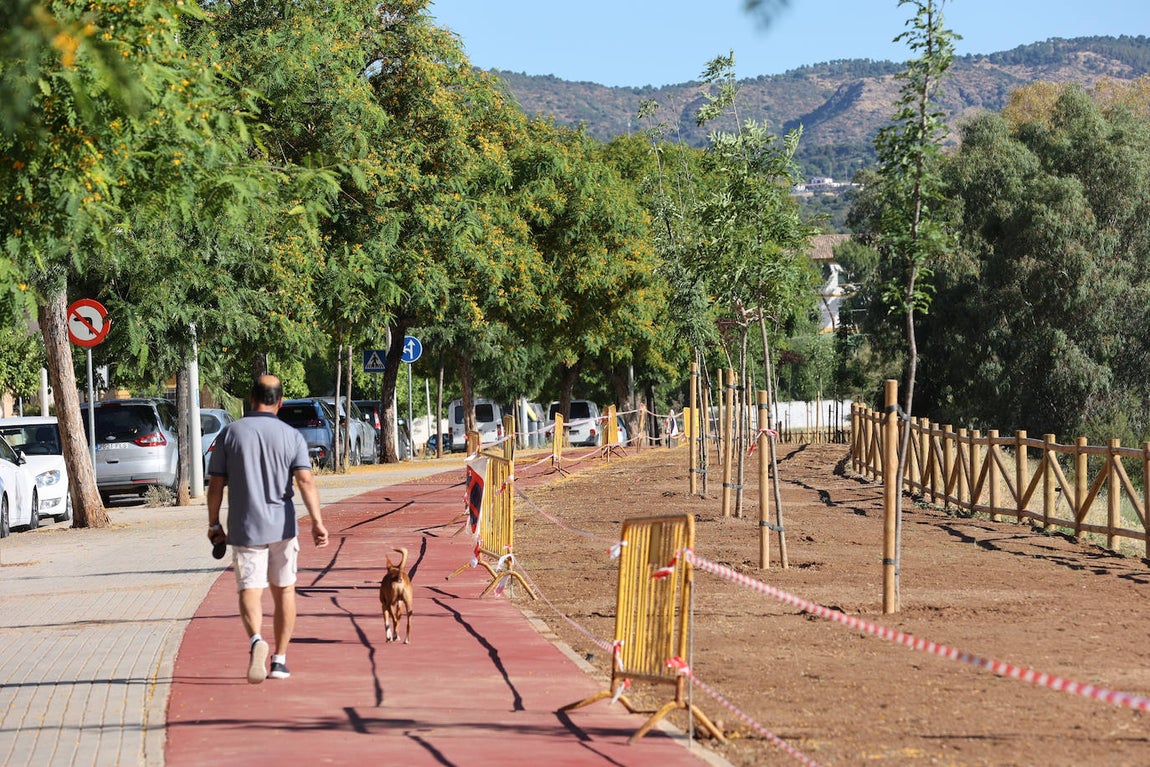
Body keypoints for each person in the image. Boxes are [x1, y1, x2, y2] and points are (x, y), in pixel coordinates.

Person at [207, 375, 329, 684]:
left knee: (250, 589)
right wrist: (316, 522)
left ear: (251, 398)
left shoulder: (230, 434)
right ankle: (280, 660)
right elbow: (305, 481)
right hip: (283, 526)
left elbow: (216, 485)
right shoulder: (291, 436)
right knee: (284, 590)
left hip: (244, 527)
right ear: (281, 401)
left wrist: (213, 523)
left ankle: (256, 641)